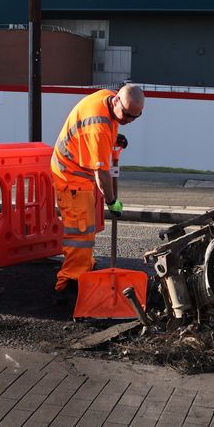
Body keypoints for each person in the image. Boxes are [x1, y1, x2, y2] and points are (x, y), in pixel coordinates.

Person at [50, 83, 144, 295]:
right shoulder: (99, 128)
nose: (129, 121)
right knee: (80, 232)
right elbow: (102, 175)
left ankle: (85, 267)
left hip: (79, 169)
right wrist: (112, 201)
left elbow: (106, 127)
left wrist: (114, 137)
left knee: (87, 228)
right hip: (70, 175)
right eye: (127, 115)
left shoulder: (108, 101)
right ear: (117, 100)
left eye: (135, 117)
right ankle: (69, 283)